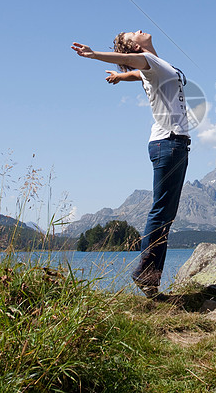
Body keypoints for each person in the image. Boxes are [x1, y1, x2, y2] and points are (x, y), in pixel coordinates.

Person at [71, 31, 190, 298]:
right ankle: (145, 275)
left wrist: (118, 76)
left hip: (172, 144)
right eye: (133, 33)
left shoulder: (155, 65)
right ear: (135, 47)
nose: (140, 30)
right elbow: (130, 63)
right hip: (169, 143)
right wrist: (93, 55)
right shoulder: (148, 60)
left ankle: (150, 283)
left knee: (165, 216)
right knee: (160, 214)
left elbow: (135, 73)